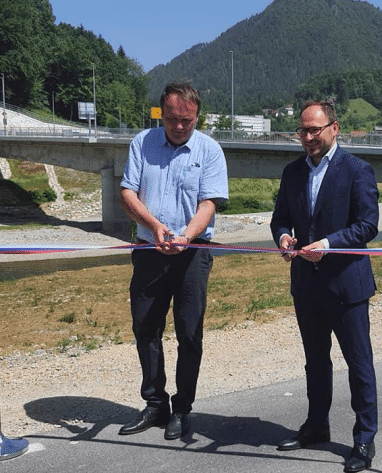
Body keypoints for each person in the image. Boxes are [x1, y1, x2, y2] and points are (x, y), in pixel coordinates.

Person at [270, 101, 380, 472]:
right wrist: (284, 238)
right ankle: (316, 426)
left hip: (347, 285)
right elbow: (280, 219)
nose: (308, 137)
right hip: (306, 285)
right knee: (315, 363)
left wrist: (329, 244)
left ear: (334, 128)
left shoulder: (357, 170)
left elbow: (367, 225)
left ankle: (364, 439)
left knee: (358, 365)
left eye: (315, 129)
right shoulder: (292, 172)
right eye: (303, 130)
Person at [118, 82, 228, 440]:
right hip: (149, 249)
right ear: (161, 114)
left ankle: (182, 408)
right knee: (145, 327)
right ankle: (155, 403)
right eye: (171, 119)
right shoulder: (142, 142)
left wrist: (186, 236)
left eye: (187, 120)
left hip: (192, 253)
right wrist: (154, 226)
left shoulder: (210, 150)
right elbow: (127, 192)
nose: (179, 126)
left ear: (197, 117)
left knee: (189, 332)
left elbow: (209, 203)